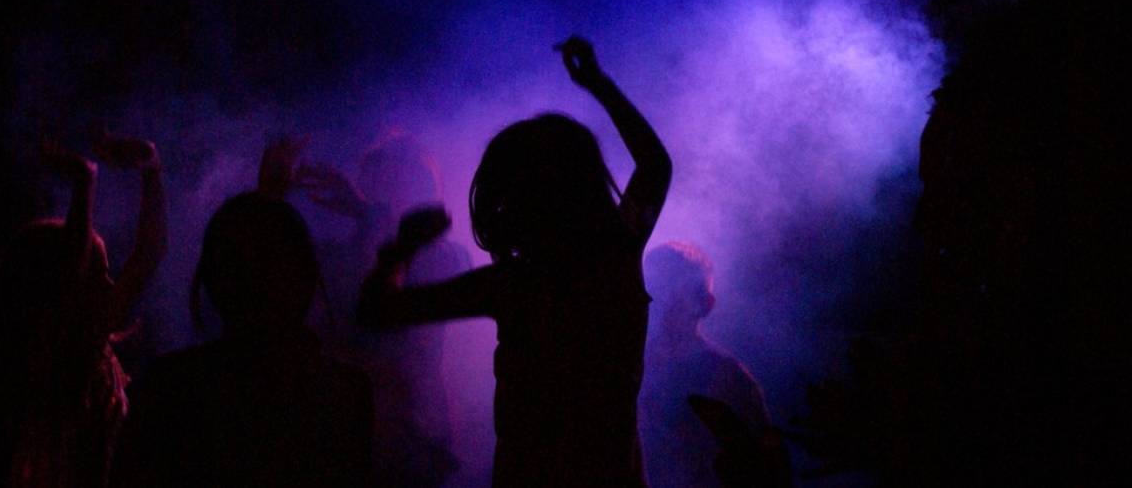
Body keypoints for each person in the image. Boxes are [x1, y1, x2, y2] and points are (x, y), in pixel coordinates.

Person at [358, 36, 672, 487]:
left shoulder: (515, 285)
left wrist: (402, 249)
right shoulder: (615, 256)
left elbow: (377, 311)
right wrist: (598, 84)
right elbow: (655, 166)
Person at [111, 139, 372, 488]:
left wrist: (267, 200)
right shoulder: (345, 392)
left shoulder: (173, 385)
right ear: (306, 280)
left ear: (214, 281)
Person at [0, 134, 166, 488]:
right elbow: (69, 274)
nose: (109, 284)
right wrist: (84, 183)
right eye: (97, 273)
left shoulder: (89, 344)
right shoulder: (37, 354)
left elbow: (147, 255)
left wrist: (151, 168)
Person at [300, 133, 468, 486]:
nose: (393, 195)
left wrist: (369, 214)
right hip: (346, 435)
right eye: (383, 182)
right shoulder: (332, 258)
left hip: (417, 439)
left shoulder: (447, 257)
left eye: (406, 182)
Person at [638, 242, 789, 488]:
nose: (659, 304)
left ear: (705, 305)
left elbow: (771, 471)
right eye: (654, 290)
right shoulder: (623, 370)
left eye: (672, 294)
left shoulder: (730, 380)